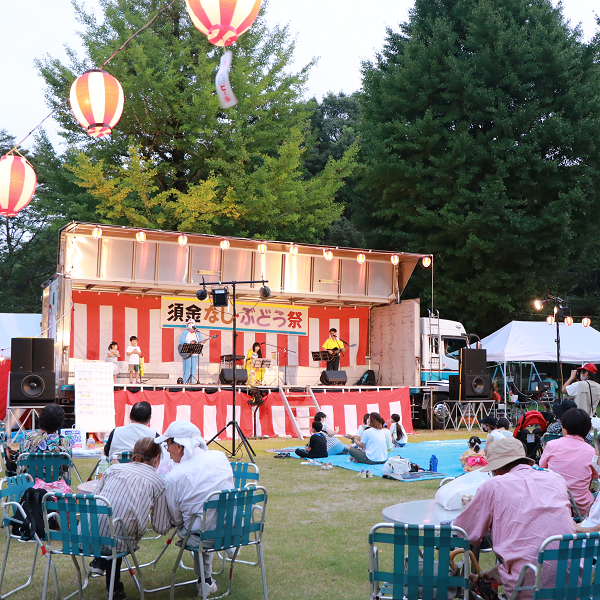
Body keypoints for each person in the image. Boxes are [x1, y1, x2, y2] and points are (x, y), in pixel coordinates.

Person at [454, 437, 576, 600]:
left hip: (527, 589)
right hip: (573, 584)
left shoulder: (493, 486)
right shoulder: (556, 479)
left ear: (495, 470)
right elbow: (530, 553)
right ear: (525, 461)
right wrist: (484, 578)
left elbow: (465, 532)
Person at [156, 420, 234, 598]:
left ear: (179, 445)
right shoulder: (220, 456)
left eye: (168, 445)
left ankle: (205, 580)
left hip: (203, 536)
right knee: (199, 521)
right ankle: (205, 581)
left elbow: (176, 519)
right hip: (233, 531)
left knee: (192, 526)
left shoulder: (174, 477)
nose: (166, 451)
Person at [88, 437, 171, 599]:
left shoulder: (113, 470)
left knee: (111, 521)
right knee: (119, 530)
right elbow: (160, 528)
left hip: (85, 536)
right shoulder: (157, 482)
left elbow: (93, 499)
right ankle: (114, 587)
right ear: (156, 458)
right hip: (121, 539)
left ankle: (101, 562)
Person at [539, 408, 597, 516]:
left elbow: (542, 468)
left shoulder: (551, 445)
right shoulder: (591, 451)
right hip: (580, 508)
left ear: (564, 429)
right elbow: (596, 474)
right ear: (588, 430)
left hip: (553, 504)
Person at [179, 319, 201, 384]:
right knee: (187, 368)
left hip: (195, 354)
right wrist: (189, 342)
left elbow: (200, 341)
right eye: (189, 323)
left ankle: (192, 382)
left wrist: (201, 343)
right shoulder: (185, 332)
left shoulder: (197, 333)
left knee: (193, 368)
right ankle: (186, 382)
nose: (190, 324)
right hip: (187, 353)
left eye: (192, 323)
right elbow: (181, 341)